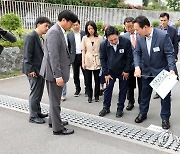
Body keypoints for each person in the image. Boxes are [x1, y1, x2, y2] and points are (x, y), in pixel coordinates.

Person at [133, 15, 176, 129]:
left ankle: (165, 118)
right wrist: (137, 67)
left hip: (161, 71)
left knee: (164, 97)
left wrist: (172, 69)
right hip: (146, 71)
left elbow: (169, 53)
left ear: (145, 27)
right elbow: (137, 52)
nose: (136, 32)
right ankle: (143, 113)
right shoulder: (140, 37)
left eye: (137, 30)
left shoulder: (162, 36)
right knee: (144, 95)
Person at [40, 10, 78, 135]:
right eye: (71, 23)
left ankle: (54, 121)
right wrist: (58, 76)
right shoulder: (54, 32)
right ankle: (58, 128)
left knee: (54, 100)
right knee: (55, 102)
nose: (72, 26)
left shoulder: (59, 31)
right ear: (64, 20)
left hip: (54, 72)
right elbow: (53, 56)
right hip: (54, 73)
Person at [99, 26, 133, 118]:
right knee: (108, 89)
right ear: (107, 38)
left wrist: (126, 70)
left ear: (118, 35)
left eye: (115, 39)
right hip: (110, 71)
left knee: (123, 90)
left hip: (123, 71)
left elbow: (129, 57)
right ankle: (106, 107)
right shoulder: (103, 45)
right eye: (111, 40)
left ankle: (120, 108)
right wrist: (106, 73)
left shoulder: (126, 42)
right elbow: (103, 59)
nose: (114, 41)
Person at [22, 17, 51, 124]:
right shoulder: (31, 36)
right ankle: (33, 116)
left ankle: (38, 112)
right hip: (33, 71)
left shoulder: (39, 37)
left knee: (38, 93)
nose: (47, 28)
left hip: (40, 70)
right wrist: (30, 70)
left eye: (48, 26)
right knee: (34, 93)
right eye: (45, 26)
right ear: (38, 25)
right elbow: (27, 55)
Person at [153, 12, 178, 99]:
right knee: (158, 74)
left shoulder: (173, 30)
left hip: (168, 56)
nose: (163, 22)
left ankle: (167, 94)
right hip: (158, 56)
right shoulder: (156, 30)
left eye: (165, 20)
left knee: (168, 75)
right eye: (161, 20)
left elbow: (175, 44)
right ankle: (158, 92)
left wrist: (175, 56)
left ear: (168, 20)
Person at [123, 17, 142, 111]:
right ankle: (130, 101)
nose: (129, 29)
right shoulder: (124, 37)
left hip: (140, 65)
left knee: (141, 85)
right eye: (127, 27)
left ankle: (141, 102)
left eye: (131, 27)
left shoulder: (140, 34)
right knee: (129, 86)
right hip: (129, 65)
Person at [82, 21, 102, 103]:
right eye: (89, 29)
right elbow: (83, 50)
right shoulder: (84, 38)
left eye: (92, 28)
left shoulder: (100, 38)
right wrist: (83, 62)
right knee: (88, 80)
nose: (91, 30)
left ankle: (96, 95)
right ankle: (89, 96)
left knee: (97, 79)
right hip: (88, 60)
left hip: (97, 60)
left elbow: (102, 50)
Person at [67, 20, 87, 97]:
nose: (76, 26)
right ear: (72, 26)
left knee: (86, 74)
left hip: (83, 56)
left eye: (77, 25)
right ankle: (77, 89)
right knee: (76, 74)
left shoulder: (84, 34)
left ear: (79, 25)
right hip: (74, 57)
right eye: (74, 25)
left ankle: (87, 89)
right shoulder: (69, 35)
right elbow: (68, 47)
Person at [99, 24, 110, 96]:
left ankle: (107, 88)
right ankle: (101, 87)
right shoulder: (101, 39)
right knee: (101, 74)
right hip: (103, 58)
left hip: (110, 59)